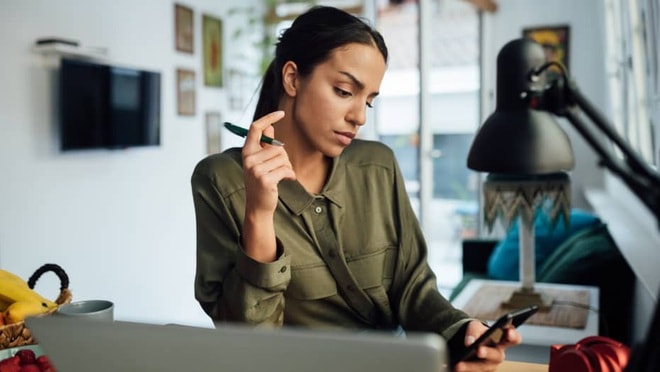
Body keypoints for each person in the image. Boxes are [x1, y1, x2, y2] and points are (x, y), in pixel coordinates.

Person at [191, 6, 521, 371]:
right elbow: (250, 342)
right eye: (344, 91)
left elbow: (413, 288)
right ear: (292, 78)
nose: (359, 117)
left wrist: (463, 333)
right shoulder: (220, 180)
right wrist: (259, 213)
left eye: (368, 101)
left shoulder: (378, 165)